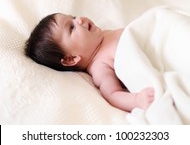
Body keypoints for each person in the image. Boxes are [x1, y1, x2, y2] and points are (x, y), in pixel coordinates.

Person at [25, 13, 155, 112]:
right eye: (71, 27)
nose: (79, 20)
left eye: (74, 17)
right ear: (71, 59)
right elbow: (113, 95)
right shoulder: (100, 66)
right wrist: (137, 100)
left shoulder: (104, 35)